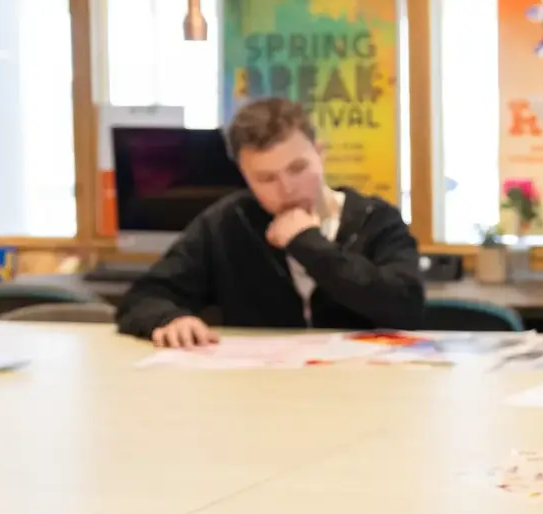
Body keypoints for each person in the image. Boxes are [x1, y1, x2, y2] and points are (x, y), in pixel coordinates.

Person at [115, 97, 425, 347]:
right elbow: (144, 297)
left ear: (320, 154)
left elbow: (405, 307)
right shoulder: (228, 221)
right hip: (261, 388)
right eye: (266, 178)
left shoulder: (375, 219)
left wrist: (309, 244)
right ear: (244, 177)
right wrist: (170, 319)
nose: (287, 189)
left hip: (363, 385)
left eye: (298, 168)